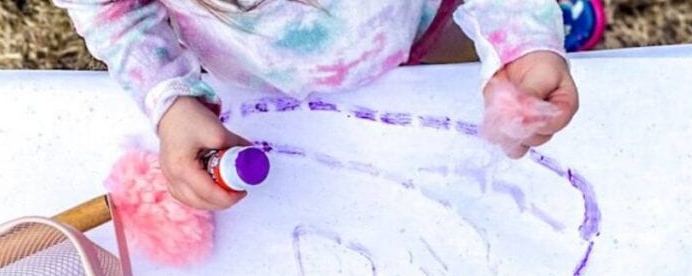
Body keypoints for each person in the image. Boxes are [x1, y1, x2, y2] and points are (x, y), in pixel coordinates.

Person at [56, 0, 579, 210]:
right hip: (250, 73)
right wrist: (170, 97)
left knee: (445, 68)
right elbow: (114, 12)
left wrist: (521, 41)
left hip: (413, 33)